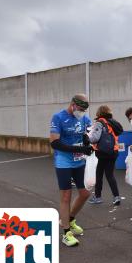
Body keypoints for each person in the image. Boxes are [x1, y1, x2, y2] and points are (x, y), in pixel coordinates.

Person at [49, 94, 93, 247]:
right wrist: (78, 148)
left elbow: (89, 134)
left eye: (84, 110)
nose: (81, 112)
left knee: (85, 193)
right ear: (73, 104)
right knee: (66, 196)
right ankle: (66, 233)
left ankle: (70, 218)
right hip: (63, 161)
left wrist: (88, 142)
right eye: (80, 109)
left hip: (79, 161)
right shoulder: (58, 117)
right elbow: (54, 143)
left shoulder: (84, 118)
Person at [87, 105, 124, 206]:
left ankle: (98, 197)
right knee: (110, 175)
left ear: (99, 112)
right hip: (114, 151)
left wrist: (87, 136)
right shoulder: (113, 122)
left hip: (102, 152)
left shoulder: (100, 122)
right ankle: (116, 197)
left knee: (99, 174)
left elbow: (94, 138)